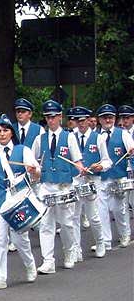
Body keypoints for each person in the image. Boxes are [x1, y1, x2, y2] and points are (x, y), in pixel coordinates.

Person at [0, 114, 40, 290]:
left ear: (11, 133)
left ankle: (29, 265)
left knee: (19, 239)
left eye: (5, 130)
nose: (2, 134)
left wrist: (33, 170)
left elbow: (37, 174)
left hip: (18, 201)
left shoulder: (23, 150)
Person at [32, 100, 85, 273]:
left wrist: (79, 169)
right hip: (46, 186)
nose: (50, 120)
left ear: (60, 117)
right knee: (46, 224)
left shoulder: (69, 137)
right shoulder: (40, 139)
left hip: (64, 186)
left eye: (53, 117)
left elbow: (77, 162)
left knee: (66, 223)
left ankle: (70, 251)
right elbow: (35, 163)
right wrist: (34, 169)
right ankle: (48, 261)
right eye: (47, 117)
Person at [69, 107, 110, 260]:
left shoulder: (98, 138)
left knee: (93, 216)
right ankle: (76, 249)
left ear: (88, 120)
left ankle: (100, 242)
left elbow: (107, 160)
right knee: (74, 216)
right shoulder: (70, 137)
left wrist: (101, 166)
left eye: (82, 120)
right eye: (76, 121)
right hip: (76, 181)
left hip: (93, 180)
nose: (80, 124)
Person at [95, 104, 134, 249]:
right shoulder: (96, 136)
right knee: (101, 210)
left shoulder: (122, 133)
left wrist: (131, 151)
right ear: (99, 119)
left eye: (110, 117)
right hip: (101, 177)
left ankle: (124, 234)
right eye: (105, 117)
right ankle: (105, 240)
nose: (108, 120)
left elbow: (131, 149)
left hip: (118, 175)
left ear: (114, 118)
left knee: (119, 209)